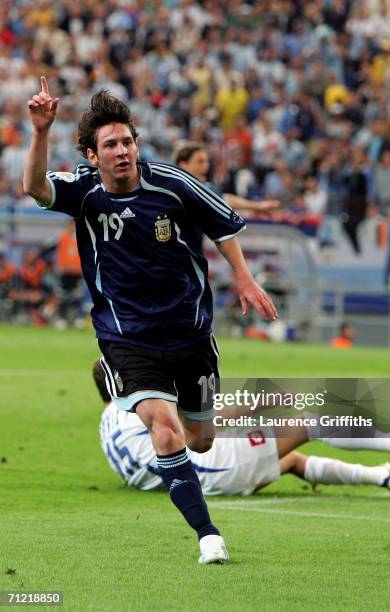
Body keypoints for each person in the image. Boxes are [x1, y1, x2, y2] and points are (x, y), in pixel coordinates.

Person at [23, 77, 278, 565]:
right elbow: (34, 186)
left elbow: (222, 224)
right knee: (163, 429)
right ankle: (209, 536)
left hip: (190, 334)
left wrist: (243, 278)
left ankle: (189, 431)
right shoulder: (84, 192)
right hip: (127, 339)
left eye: (128, 141)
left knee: (198, 439)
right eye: (111, 145)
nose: (123, 151)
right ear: (92, 155)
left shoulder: (172, 185)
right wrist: (40, 131)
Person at [93, 361, 390, 496]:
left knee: (290, 460)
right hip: (211, 469)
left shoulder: (107, 424)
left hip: (196, 477)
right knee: (310, 422)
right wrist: (260, 402)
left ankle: (383, 477)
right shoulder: (138, 406)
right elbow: (196, 430)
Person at [173, 142, 280, 215]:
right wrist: (257, 206)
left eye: (207, 161)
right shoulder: (172, 190)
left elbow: (225, 199)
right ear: (183, 165)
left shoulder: (203, 189)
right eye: (200, 161)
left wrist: (257, 206)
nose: (206, 165)